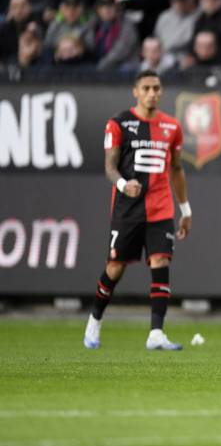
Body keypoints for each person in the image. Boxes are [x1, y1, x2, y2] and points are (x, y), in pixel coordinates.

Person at [83, 70, 192, 351]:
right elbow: (110, 165)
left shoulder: (171, 127)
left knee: (160, 262)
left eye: (156, 88)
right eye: (146, 88)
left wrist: (185, 209)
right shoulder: (119, 123)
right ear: (136, 91)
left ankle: (156, 332)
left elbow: (177, 169)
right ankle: (95, 320)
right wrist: (122, 183)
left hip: (161, 208)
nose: (152, 93)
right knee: (115, 268)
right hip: (127, 209)